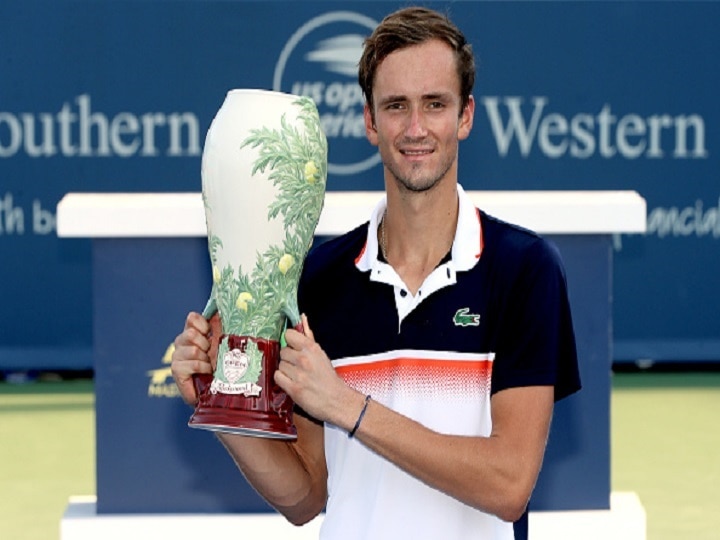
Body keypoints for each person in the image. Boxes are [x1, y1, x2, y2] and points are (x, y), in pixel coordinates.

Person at [171, 6, 580, 540]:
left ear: (466, 116)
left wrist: (347, 406)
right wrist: (216, 399)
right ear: (369, 121)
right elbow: (306, 496)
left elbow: (509, 484)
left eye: (435, 105)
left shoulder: (525, 271)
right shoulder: (317, 280)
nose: (415, 128)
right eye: (396, 106)